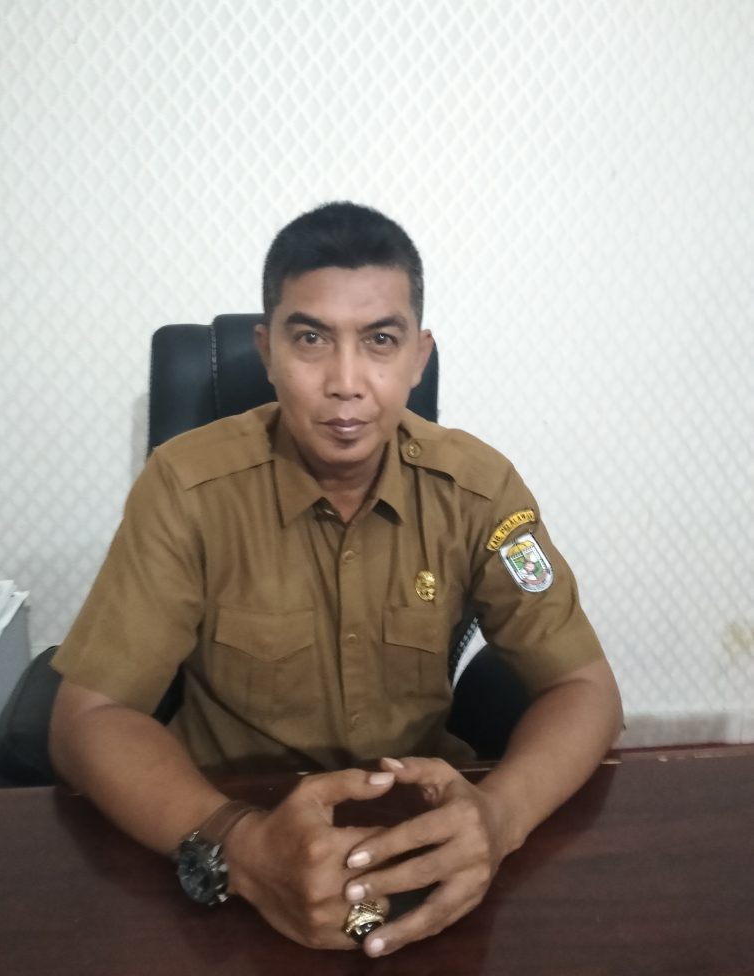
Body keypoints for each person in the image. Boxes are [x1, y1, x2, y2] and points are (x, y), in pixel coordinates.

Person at [49, 201, 622, 958]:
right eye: (311, 339)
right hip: (229, 831)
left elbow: (586, 689)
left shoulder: (478, 490)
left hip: (421, 837)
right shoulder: (186, 488)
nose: (346, 383)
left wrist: (499, 816)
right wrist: (240, 845)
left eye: (379, 340)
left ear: (418, 357)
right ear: (267, 350)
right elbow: (86, 718)